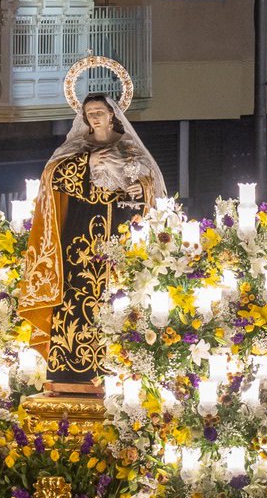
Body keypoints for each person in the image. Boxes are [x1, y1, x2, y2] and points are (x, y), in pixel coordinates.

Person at [19, 92, 166, 388]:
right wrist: (87, 161)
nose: (95, 117)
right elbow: (52, 176)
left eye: (99, 111)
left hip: (118, 235)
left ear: (112, 114)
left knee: (118, 297)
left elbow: (150, 183)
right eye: (89, 113)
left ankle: (118, 367)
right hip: (79, 237)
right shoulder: (77, 148)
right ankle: (70, 372)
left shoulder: (128, 147)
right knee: (74, 299)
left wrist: (141, 188)